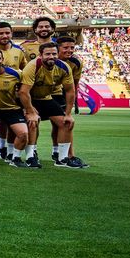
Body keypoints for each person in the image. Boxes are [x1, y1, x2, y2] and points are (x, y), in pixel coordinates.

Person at [18, 42, 77, 169]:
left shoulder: (64, 67)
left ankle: (62, 158)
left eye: (54, 54)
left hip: (46, 98)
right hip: (30, 99)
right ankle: (30, 157)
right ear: (40, 55)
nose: (52, 56)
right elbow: (23, 92)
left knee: (66, 123)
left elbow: (70, 91)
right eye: (48, 54)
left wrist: (68, 114)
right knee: (33, 122)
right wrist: (30, 111)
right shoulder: (33, 66)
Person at [55, 36, 89, 167]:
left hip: (64, 94)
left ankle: (69, 155)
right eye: (66, 48)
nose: (69, 50)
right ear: (58, 48)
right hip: (45, 94)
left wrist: (74, 101)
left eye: (72, 48)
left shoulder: (76, 62)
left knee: (65, 124)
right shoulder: (50, 58)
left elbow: (75, 84)